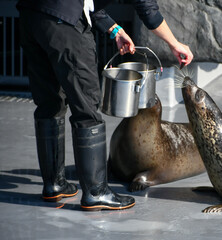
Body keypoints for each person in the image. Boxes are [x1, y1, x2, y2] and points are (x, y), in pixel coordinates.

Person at [16, 0, 193, 211]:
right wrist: (175, 44)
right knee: (87, 108)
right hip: (65, 24)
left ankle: (54, 184)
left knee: (49, 103)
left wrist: (114, 29)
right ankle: (96, 192)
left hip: (32, 15)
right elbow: (147, 9)